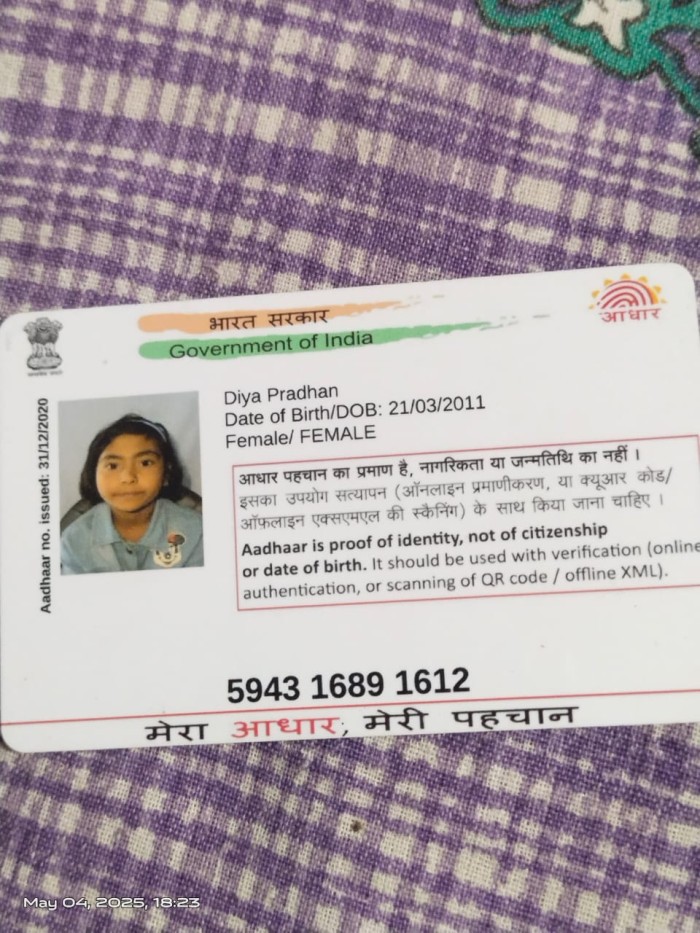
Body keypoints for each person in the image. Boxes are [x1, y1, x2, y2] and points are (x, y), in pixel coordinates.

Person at [61, 414, 203, 574]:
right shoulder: (73, 540)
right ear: (93, 475)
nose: (128, 477)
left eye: (145, 463)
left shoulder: (196, 531)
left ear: (166, 474)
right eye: (113, 466)